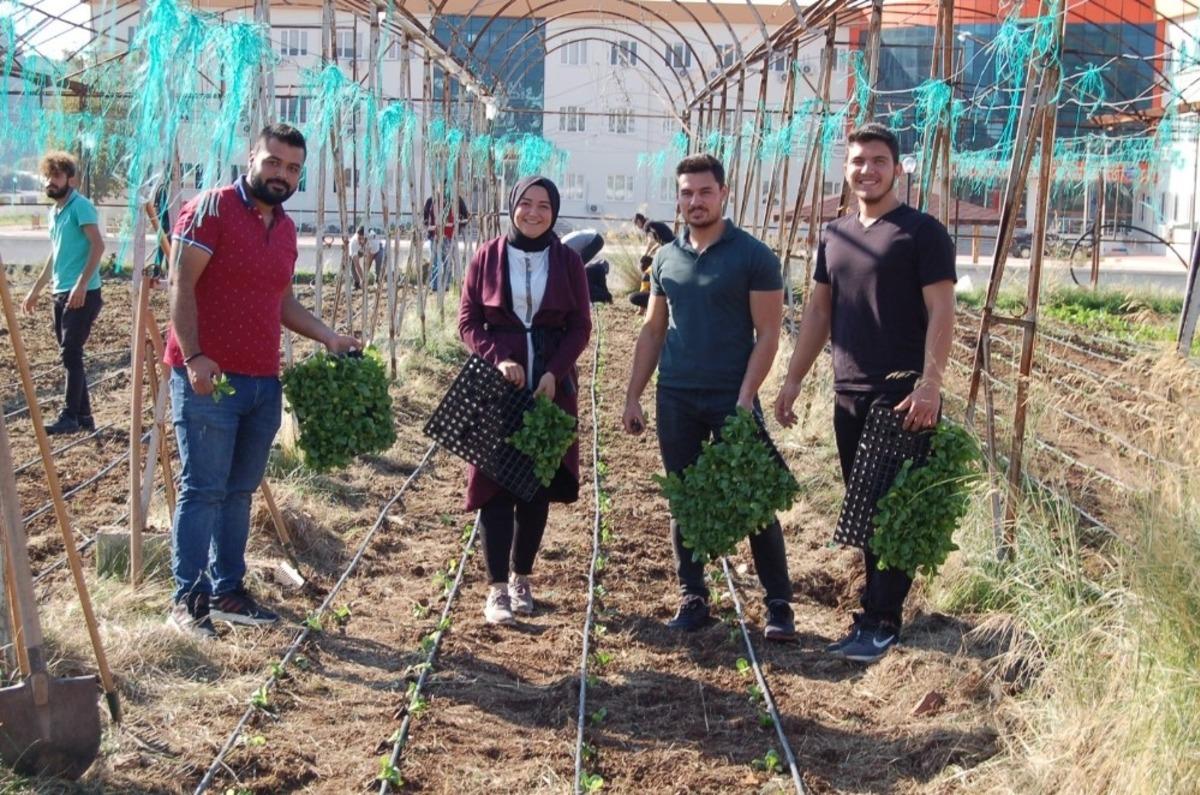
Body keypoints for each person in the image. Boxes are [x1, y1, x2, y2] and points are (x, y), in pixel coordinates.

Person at [164, 123, 359, 639]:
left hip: (261, 380)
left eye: (292, 168)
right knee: (203, 489)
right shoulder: (211, 210)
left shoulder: (286, 228)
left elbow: (281, 301)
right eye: (273, 162)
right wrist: (195, 354)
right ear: (252, 157)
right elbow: (180, 283)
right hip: (210, 378)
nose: (282, 174)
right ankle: (187, 599)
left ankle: (228, 590)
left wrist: (329, 337)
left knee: (239, 491)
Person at [774, 123, 957, 663]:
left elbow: (942, 309)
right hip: (848, 388)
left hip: (900, 394)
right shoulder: (836, 235)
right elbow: (818, 311)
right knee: (866, 508)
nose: (867, 169)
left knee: (888, 509)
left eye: (879, 160)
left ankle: (882, 621)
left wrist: (931, 383)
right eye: (858, 160)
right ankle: (872, 615)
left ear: (897, 169)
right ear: (847, 168)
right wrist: (793, 378)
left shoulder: (921, 232)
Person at [622, 154, 795, 642]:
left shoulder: (753, 256)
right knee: (686, 499)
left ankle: (779, 605)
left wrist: (745, 397)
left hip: (731, 395)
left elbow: (767, 334)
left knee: (754, 499)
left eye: (704, 192)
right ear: (678, 198)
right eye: (686, 193)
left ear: (723, 194)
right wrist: (634, 395)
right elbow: (653, 330)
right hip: (676, 395)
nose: (694, 202)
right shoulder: (666, 258)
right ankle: (693, 596)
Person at [459, 176, 592, 625]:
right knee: (495, 483)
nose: (533, 213)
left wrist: (555, 371)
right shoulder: (487, 256)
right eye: (525, 204)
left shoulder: (568, 261)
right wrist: (497, 359)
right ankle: (496, 588)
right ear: (512, 206)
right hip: (499, 387)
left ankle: (522, 577)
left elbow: (580, 326)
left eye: (543, 206)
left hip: (549, 388)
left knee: (536, 483)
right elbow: (469, 321)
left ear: (554, 212)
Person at [22, 151, 106, 435]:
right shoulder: (54, 212)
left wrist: (82, 284)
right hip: (61, 291)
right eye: (48, 176)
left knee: (71, 352)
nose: (50, 182)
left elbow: (98, 246)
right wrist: (35, 290)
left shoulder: (80, 206)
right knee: (70, 353)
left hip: (83, 292)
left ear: (70, 178)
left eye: (57, 176)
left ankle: (69, 416)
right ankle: (84, 417)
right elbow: (55, 255)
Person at [424, 193, 471, 291]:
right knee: (435, 263)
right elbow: (425, 217)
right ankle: (435, 287)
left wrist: (458, 228)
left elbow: (465, 216)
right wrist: (428, 229)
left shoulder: (456, 200)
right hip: (435, 237)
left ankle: (446, 286)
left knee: (448, 263)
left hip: (449, 237)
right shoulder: (432, 200)